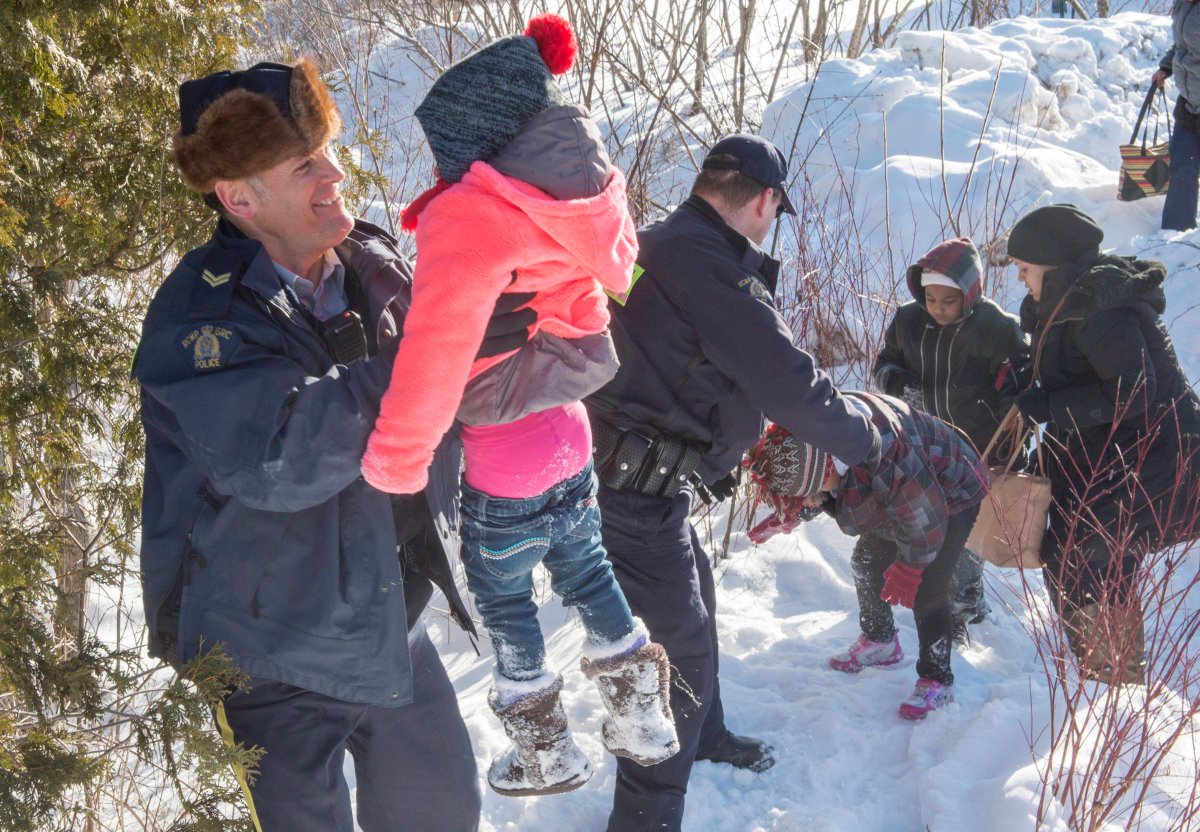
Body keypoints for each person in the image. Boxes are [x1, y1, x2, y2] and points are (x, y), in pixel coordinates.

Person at [132, 59, 532, 830]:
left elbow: (445, 396)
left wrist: (514, 309)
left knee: (443, 816)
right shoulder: (196, 319)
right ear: (239, 197)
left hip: (392, 633)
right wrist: (429, 358)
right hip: (271, 660)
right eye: (305, 163)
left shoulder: (373, 263)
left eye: (329, 150)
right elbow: (281, 453)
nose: (336, 174)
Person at [360, 15, 678, 797]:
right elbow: (620, 278)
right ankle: (641, 714)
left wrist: (397, 460)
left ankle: (544, 752)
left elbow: (437, 349)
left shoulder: (470, 213)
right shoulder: (580, 190)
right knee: (588, 568)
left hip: (506, 454)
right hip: (572, 433)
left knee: (504, 596)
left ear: (470, 142)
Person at [585, 133, 883, 831]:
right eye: (777, 210)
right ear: (764, 199)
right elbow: (783, 378)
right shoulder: (706, 264)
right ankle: (646, 818)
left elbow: (673, 363)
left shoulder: (662, 243)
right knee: (672, 655)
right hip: (631, 492)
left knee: (698, 602)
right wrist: (864, 438)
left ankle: (705, 737)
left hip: (634, 480)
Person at [1007, 203, 1200, 684]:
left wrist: (1051, 408)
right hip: (1114, 457)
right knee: (1080, 557)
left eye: (1024, 269)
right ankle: (1110, 677)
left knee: (1086, 556)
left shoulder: (1099, 312)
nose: (1020, 280)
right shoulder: (1065, 305)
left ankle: (1114, 680)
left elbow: (1133, 393)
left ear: (1053, 267)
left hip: (1158, 458)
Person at [745, 392, 985, 718]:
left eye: (812, 492)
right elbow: (822, 481)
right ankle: (881, 642)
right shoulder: (828, 437)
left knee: (929, 588)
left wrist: (909, 568)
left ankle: (937, 681)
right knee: (867, 562)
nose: (813, 497)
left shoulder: (888, 456)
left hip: (951, 490)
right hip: (905, 494)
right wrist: (794, 512)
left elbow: (924, 522)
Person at [873, 236, 1031, 640]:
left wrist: (1012, 443)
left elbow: (1016, 394)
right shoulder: (908, 321)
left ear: (970, 294)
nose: (938, 309)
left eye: (949, 301)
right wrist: (900, 386)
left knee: (961, 534)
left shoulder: (997, 330)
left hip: (975, 447)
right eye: (931, 299)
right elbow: (885, 362)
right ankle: (967, 598)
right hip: (922, 446)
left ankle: (958, 611)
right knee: (929, 524)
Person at [1155, 1, 1200, 231]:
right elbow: (1182, 46)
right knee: (1182, 166)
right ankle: (1175, 231)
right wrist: (1165, 68)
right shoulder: (1183, 5)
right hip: (1189, 103)